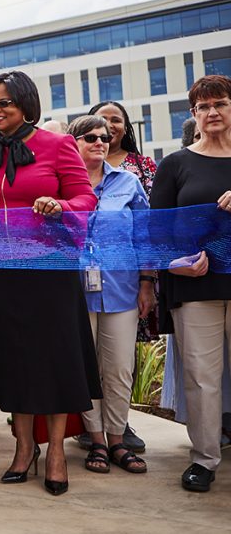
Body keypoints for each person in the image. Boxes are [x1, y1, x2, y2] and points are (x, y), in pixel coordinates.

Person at [0, 70, 100, 496]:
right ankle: (23, 448)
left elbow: (87, 198)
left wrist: (60, 204)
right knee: (13, 360)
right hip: (1, 273)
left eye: (4, 103)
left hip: (50, 271)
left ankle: (58, 454)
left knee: (52, 360)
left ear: (26, 104)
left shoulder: (57, 144)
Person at [150, 74, 231, 492]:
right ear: (194, 115)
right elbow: (155, 233)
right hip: (195, 287)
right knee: (202, 376)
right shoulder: (175, 164)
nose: (212, 112)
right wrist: (173, 265)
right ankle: (204, 459)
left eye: (220, 103)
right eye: (203, 107)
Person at [66, 115, 153, 476]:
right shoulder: (64, 188)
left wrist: (148, 282)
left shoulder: (129, 183)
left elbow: (146, 235)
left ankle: (117, 439)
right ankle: (96, 439)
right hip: (74, 293)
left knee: (118, 368)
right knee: (87, 369)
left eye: (104, 136)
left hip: (123, 289)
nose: (100, 142)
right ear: (74, 144)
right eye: (90, 137)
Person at [89, 100, 156, 195]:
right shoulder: (76, 164)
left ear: (125, 129)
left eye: (116, 120)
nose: (108, 125)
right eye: (102, 120)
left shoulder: (144, 165)